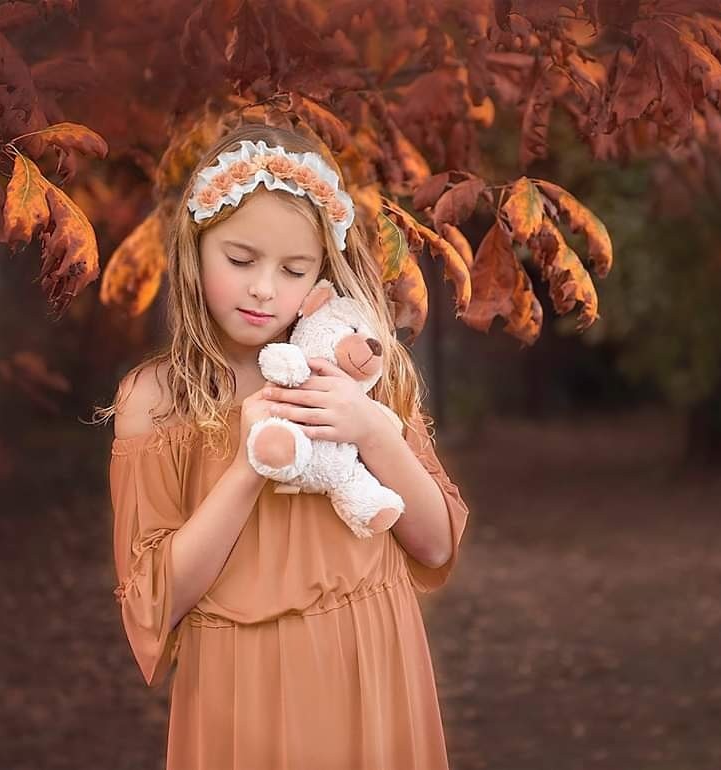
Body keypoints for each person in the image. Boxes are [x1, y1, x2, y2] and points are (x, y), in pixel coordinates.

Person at [92, 123, 470, 769]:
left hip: (371, 664)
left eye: (294, 269)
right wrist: (247, 467)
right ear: (195, 250)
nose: (265, 288)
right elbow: (156, 601)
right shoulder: (155, 400)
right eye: (240, 261)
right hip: (241, 690)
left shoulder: (353, 369)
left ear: (322, 273)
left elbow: (436, 544)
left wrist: (372, 429)